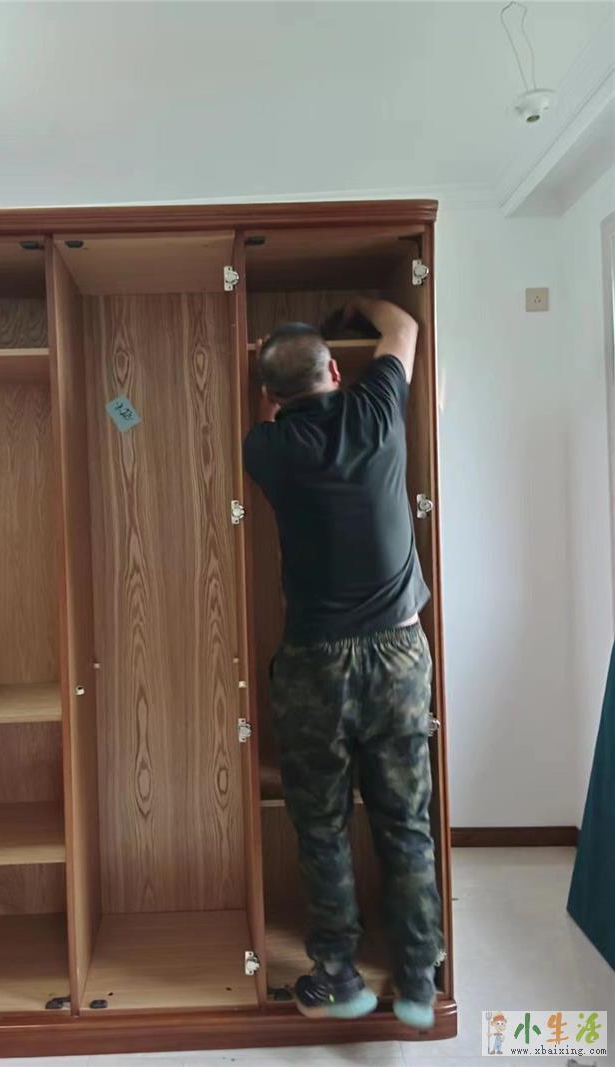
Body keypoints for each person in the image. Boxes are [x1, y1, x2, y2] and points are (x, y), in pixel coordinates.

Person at [243, 296, 445, 1029]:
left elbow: (270, 416)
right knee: (405, 820)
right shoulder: (377, 409)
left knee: (322, 823)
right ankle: (418, 980)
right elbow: (402, 328)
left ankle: (338, 974)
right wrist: (355, 307)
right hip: (397, 652)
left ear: (272, 393)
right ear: (335, 371)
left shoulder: (266, 449)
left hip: (315, 665)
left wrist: (268, 376)